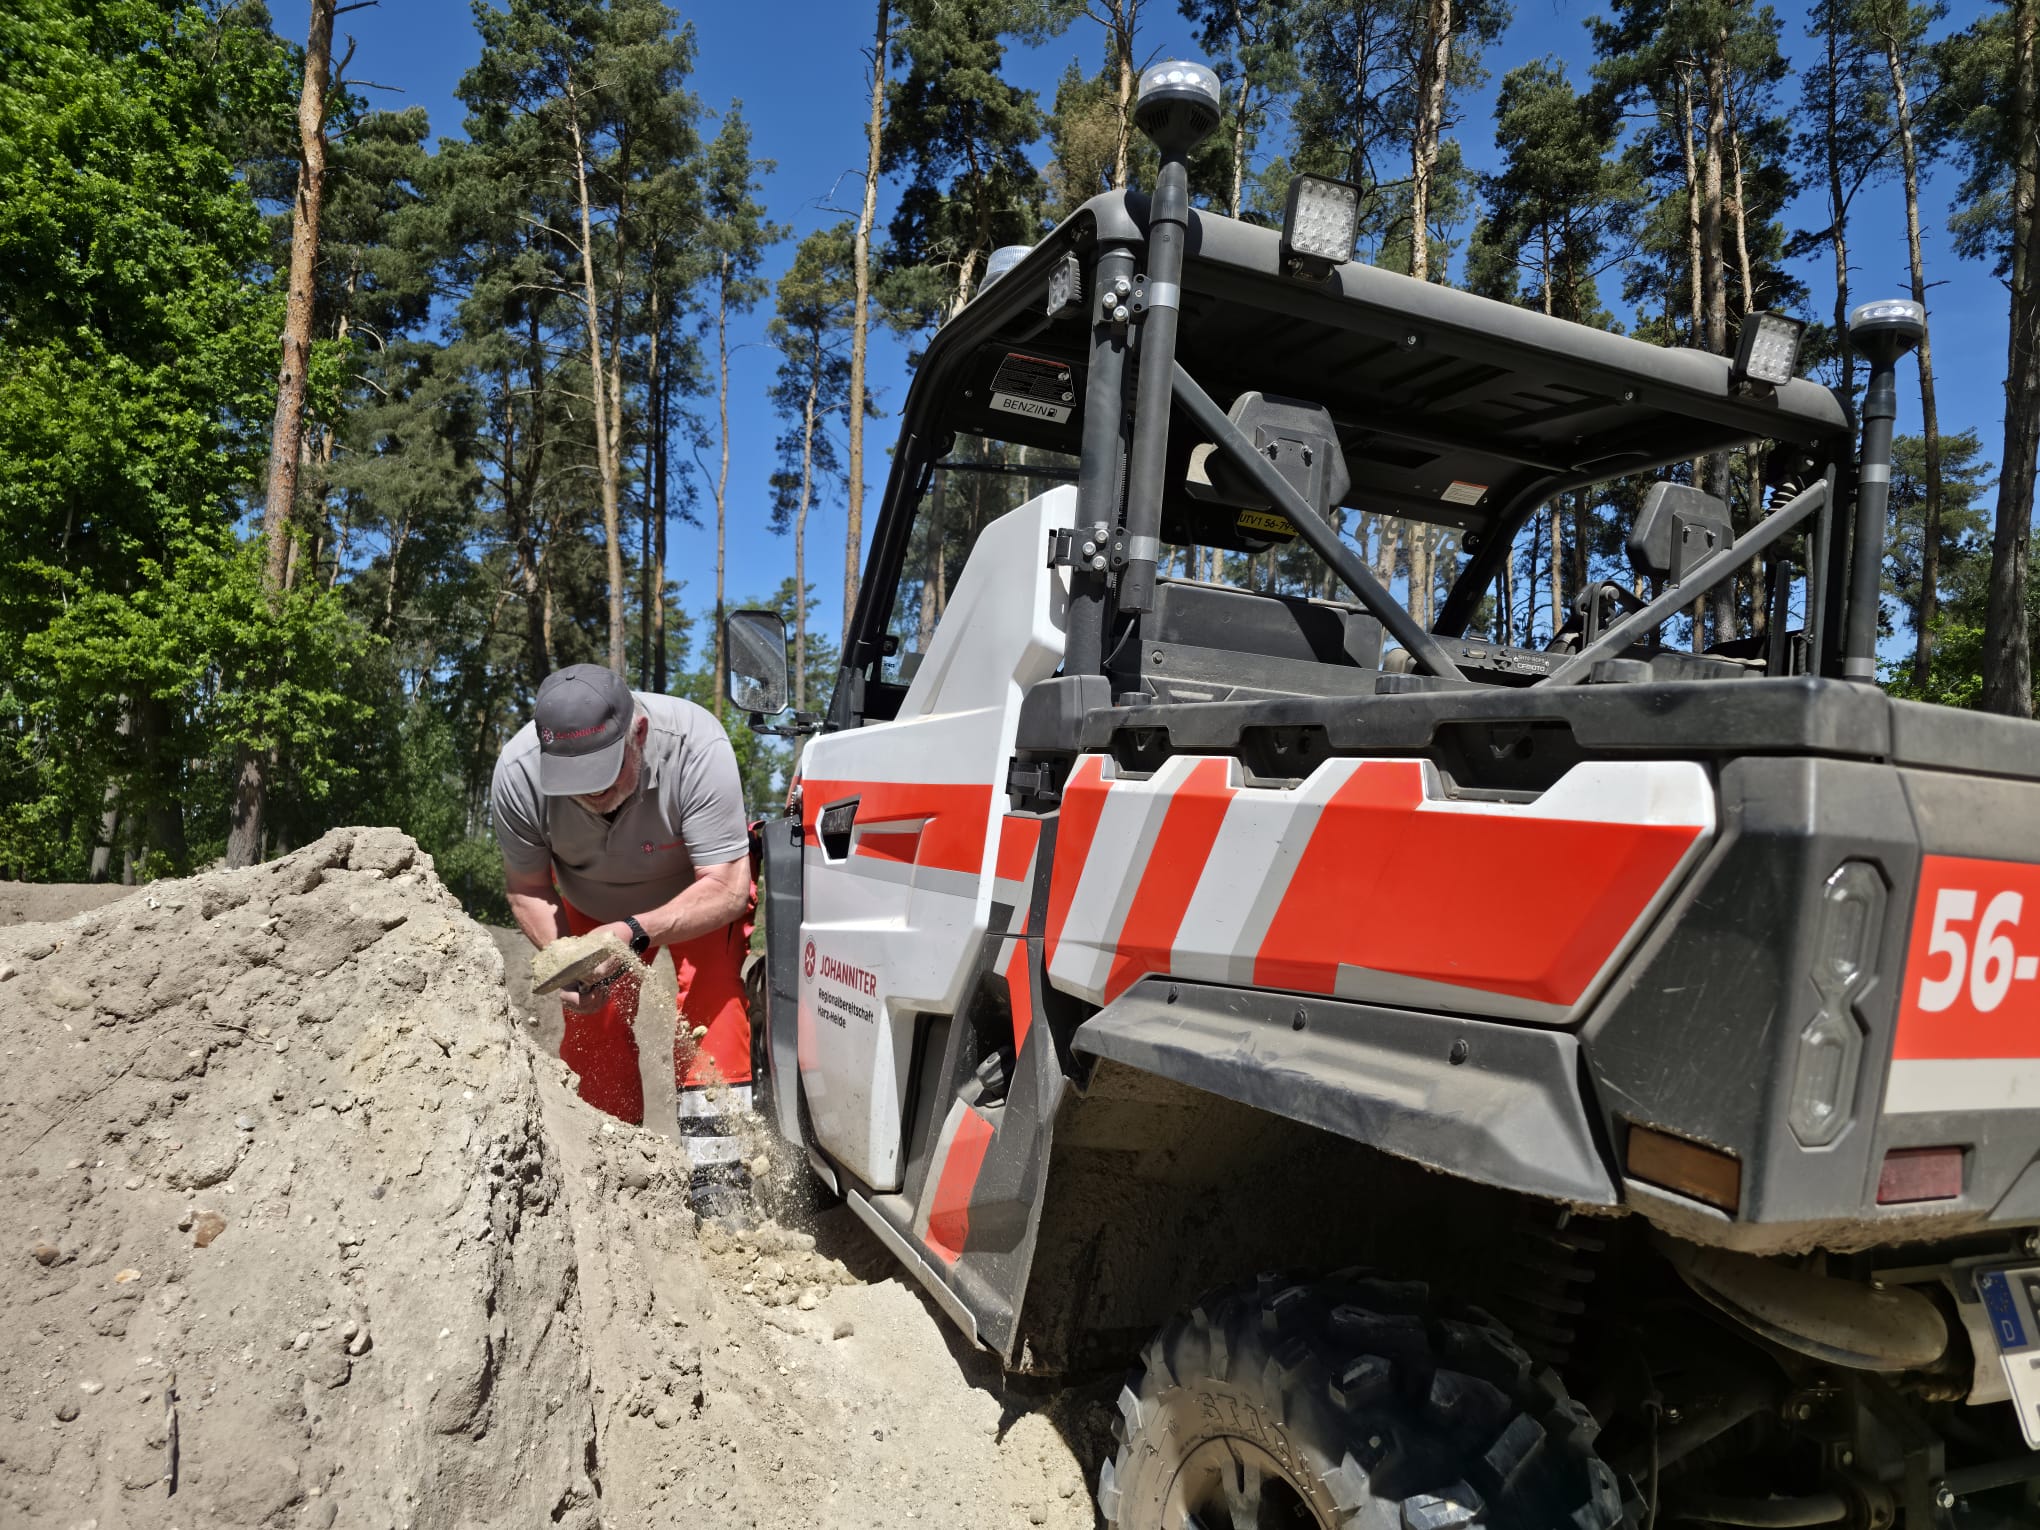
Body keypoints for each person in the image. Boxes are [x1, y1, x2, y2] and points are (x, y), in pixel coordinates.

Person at [491, 663, 755, 1210]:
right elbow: (527, 888)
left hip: (695, 900)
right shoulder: (518, 772)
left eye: (606, 775)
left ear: (637, 733)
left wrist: (637, 930)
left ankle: (722, 1189)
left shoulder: (696, 744)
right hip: (590, 908)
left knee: (714, 1008)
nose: (591, 795)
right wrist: (567, 959)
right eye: (575, 783)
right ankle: (615, 1185)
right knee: (594, 1028)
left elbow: (728, 887)